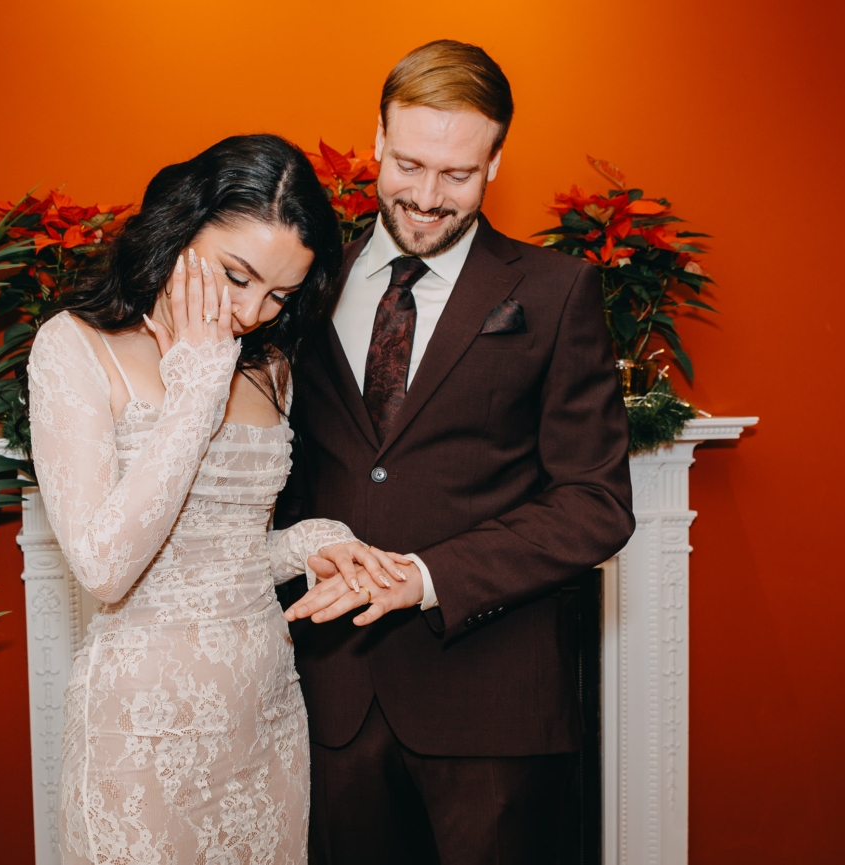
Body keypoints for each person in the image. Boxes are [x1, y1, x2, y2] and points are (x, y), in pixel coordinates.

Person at [280, 41, 636, 864]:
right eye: (409, 165)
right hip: (333, 704)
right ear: (377, 138)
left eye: (458, 175)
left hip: (495, 710)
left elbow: (596, 503)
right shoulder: (302, 281)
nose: (427, 196)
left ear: (496, 162)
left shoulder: (557, 292)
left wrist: (428, 575)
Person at [27, 134, 404, 865]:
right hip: (140, 735)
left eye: (280, 295)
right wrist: (196, 390)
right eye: (237, 276)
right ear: (180, 228)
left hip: (264, 719)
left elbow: (220, 559)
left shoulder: (269, 366)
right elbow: (106, 567)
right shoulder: (74, 347)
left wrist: (310, 541)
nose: (253, 312)